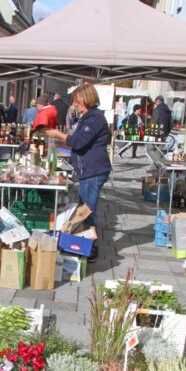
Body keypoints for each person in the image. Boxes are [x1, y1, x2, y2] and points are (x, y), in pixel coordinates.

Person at [44, 84, 111, 263]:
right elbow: (81, 143)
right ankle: (84, 242)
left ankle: (91, 248)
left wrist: (59, 134)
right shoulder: (88, 117)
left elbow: (80, 142)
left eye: (77, 100)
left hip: (93, 169)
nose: (75, 103)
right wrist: (63, 146)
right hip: (88, 169)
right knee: (84, 207)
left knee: (87, 210)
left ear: (87, 99)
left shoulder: (94, 118)